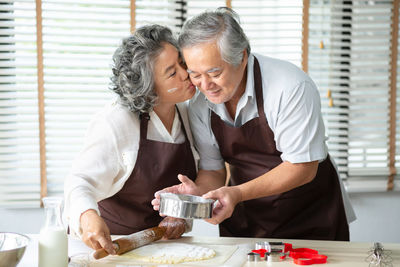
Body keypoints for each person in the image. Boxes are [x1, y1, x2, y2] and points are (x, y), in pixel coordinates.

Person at [152, 7, 355, 241]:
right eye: (195, 74)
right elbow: (214, 170)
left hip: (309, 215)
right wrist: (198, 194)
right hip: (246, 216)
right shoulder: (199, 104)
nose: (205, 85)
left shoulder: (289, 87)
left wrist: (237, 193)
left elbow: (302, 167)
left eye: (215, 72)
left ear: (242, 56)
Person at [64, 24, 198, 255]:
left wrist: (182, 213)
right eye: (172, 72)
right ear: (149, 90)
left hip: (161, 246)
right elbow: (79, 182)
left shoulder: (189, 114)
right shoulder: (116, 121)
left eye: (182, 63)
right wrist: (88, 218)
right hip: (110, 246)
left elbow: (203, 180)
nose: (186, 73)